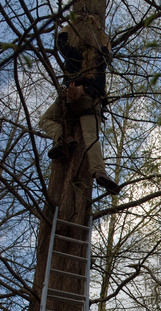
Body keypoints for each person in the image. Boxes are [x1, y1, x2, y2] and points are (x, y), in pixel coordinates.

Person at [39, 14, 119, 195]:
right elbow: (107, 45)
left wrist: (72, 22)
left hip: (69, 101)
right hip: (90, 102)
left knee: (46, 120)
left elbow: (61, 40)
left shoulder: (73, 55)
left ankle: (62, 138)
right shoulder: (101, 58)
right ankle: (99, 171)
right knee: (91, 136)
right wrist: (97, 26)